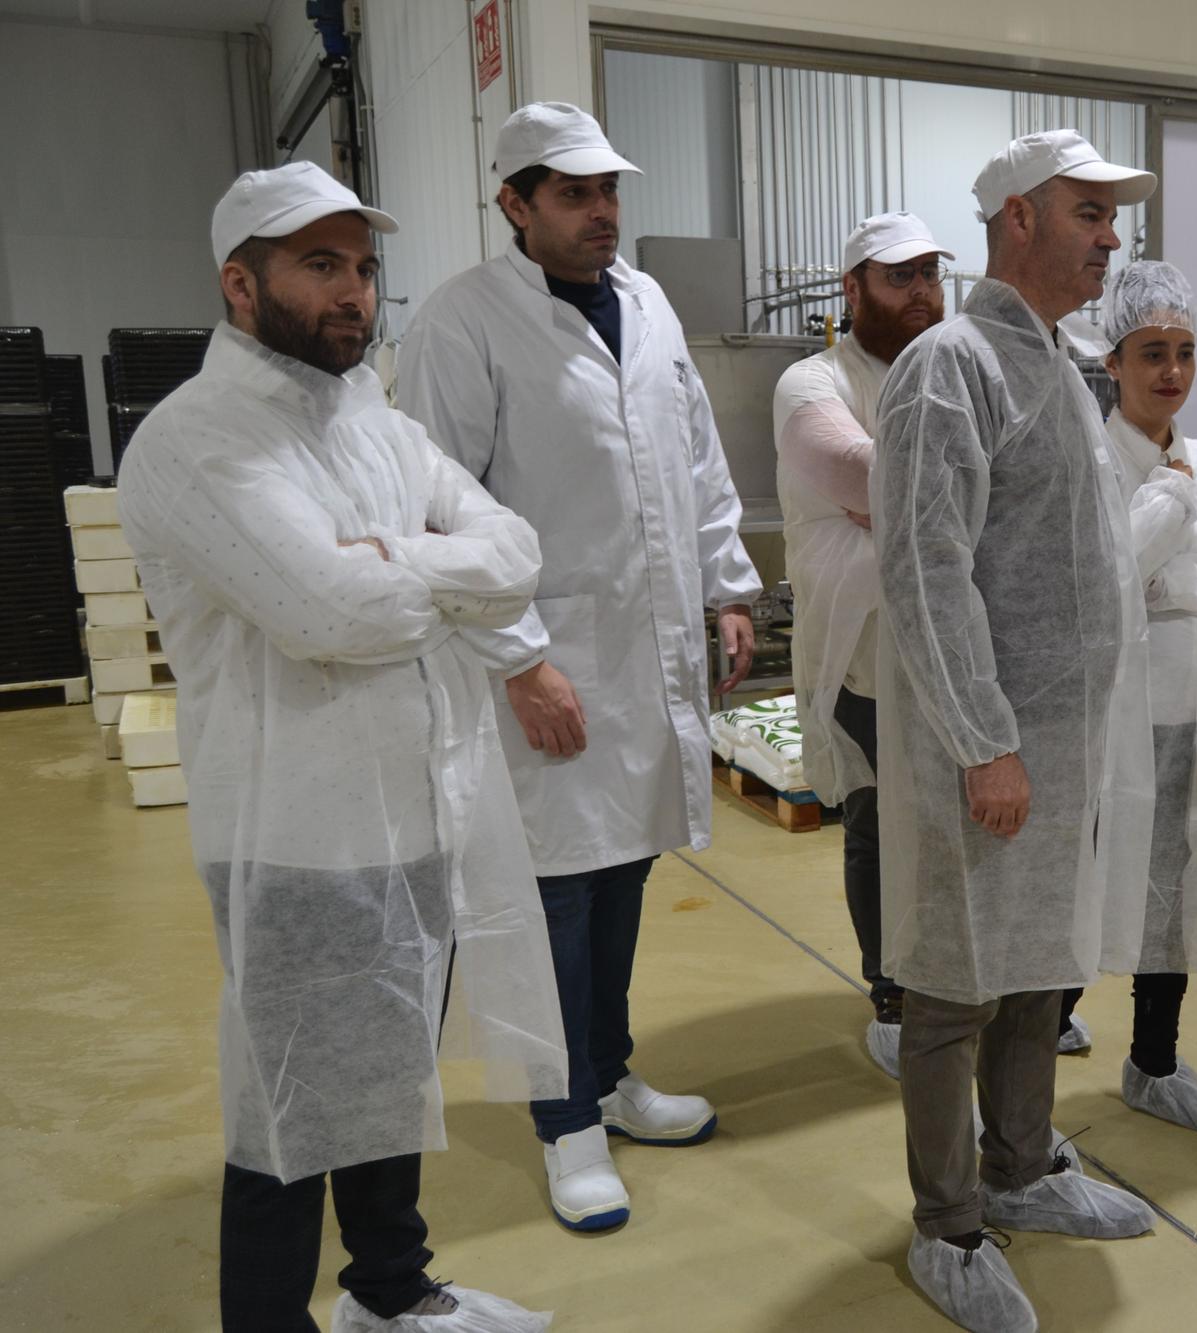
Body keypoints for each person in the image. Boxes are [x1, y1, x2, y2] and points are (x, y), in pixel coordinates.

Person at [118, 162, 563, 1332]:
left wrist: (388, 560)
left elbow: (513, 548)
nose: (354, 293)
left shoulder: (371, 416)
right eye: (319, 265)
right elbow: (328, 612)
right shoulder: (195, 439)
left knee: (385, 1082)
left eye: (363, 268)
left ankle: (391, 1289)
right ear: (240, 281)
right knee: (288, 1112)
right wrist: (415, 574)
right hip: (295, 837)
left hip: (413, 807)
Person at [397, 102, 761, 1233]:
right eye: (573, 194)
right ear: (514, 204)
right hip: (544, 659)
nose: (601, 212)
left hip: (643, 648)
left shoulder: (645, 303)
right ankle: (566, 1126)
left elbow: (693, 457)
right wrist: (517, 660)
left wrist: (726, 583)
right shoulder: (461, 326)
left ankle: (609, 1075)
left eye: (608, 191)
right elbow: (435, 511)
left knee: (625, 869)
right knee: (552, 892)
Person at [872, 129, 1162, 1333]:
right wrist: (984, 737)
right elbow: (925, 571)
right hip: (978, 742)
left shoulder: (1060, 362)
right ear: (1016, 221)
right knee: (950, 988)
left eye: (1111, 214)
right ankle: (945, 1227)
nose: (1108, 235)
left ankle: (1023, 1166)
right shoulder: (950, 366)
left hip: (1061, 736)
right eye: (1086, 211)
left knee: (1039, 966)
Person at [1064, 260, 1197, 1135]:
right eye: (1152, 352)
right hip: (1119, 726)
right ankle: (1019, 1089)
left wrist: (1175, 582)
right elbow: (1101, 577)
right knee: (1087, 896)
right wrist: (1157, 552)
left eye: (1186, 351)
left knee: (1179, 894)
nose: (1172, 372)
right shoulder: (1087, 463)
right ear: (1112, 362)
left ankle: (1154, 1061)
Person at [772, 211, 953, 1079]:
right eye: (899, 277)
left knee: (953, 824)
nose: (921, 293)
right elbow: (859, 473)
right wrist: (919, 497)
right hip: (865, 647)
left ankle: (950, 980)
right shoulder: (814, 381)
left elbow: (964, 487)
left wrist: (899, 506)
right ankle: (891, 991)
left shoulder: (952, 375)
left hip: (950, 647)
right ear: (853, 291)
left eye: (929, 275)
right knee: (880, 821)